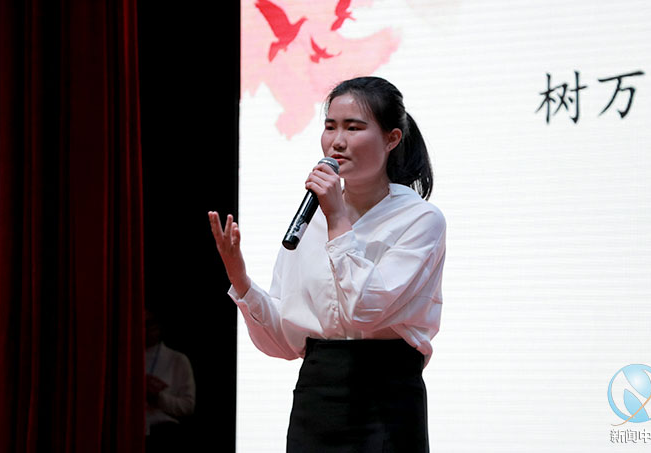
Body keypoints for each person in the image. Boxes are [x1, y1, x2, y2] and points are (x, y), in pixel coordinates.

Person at [209, 76, 445, 452]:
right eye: (330, 126)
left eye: (353, 127)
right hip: (316, 399)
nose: (337, 141)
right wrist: (240, 279)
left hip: (387, 398)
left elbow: (366, 309)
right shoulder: (311, 221)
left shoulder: (419, 219)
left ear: (392, 139)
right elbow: (285, 341)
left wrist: (337, 219)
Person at [145, 309, 196, 452]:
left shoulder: (177, 360)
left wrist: (158, 397)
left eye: (149, 324)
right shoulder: (125, 358)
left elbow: (188, 406)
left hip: (164, 432)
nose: (145, 329)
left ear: (158, 326)